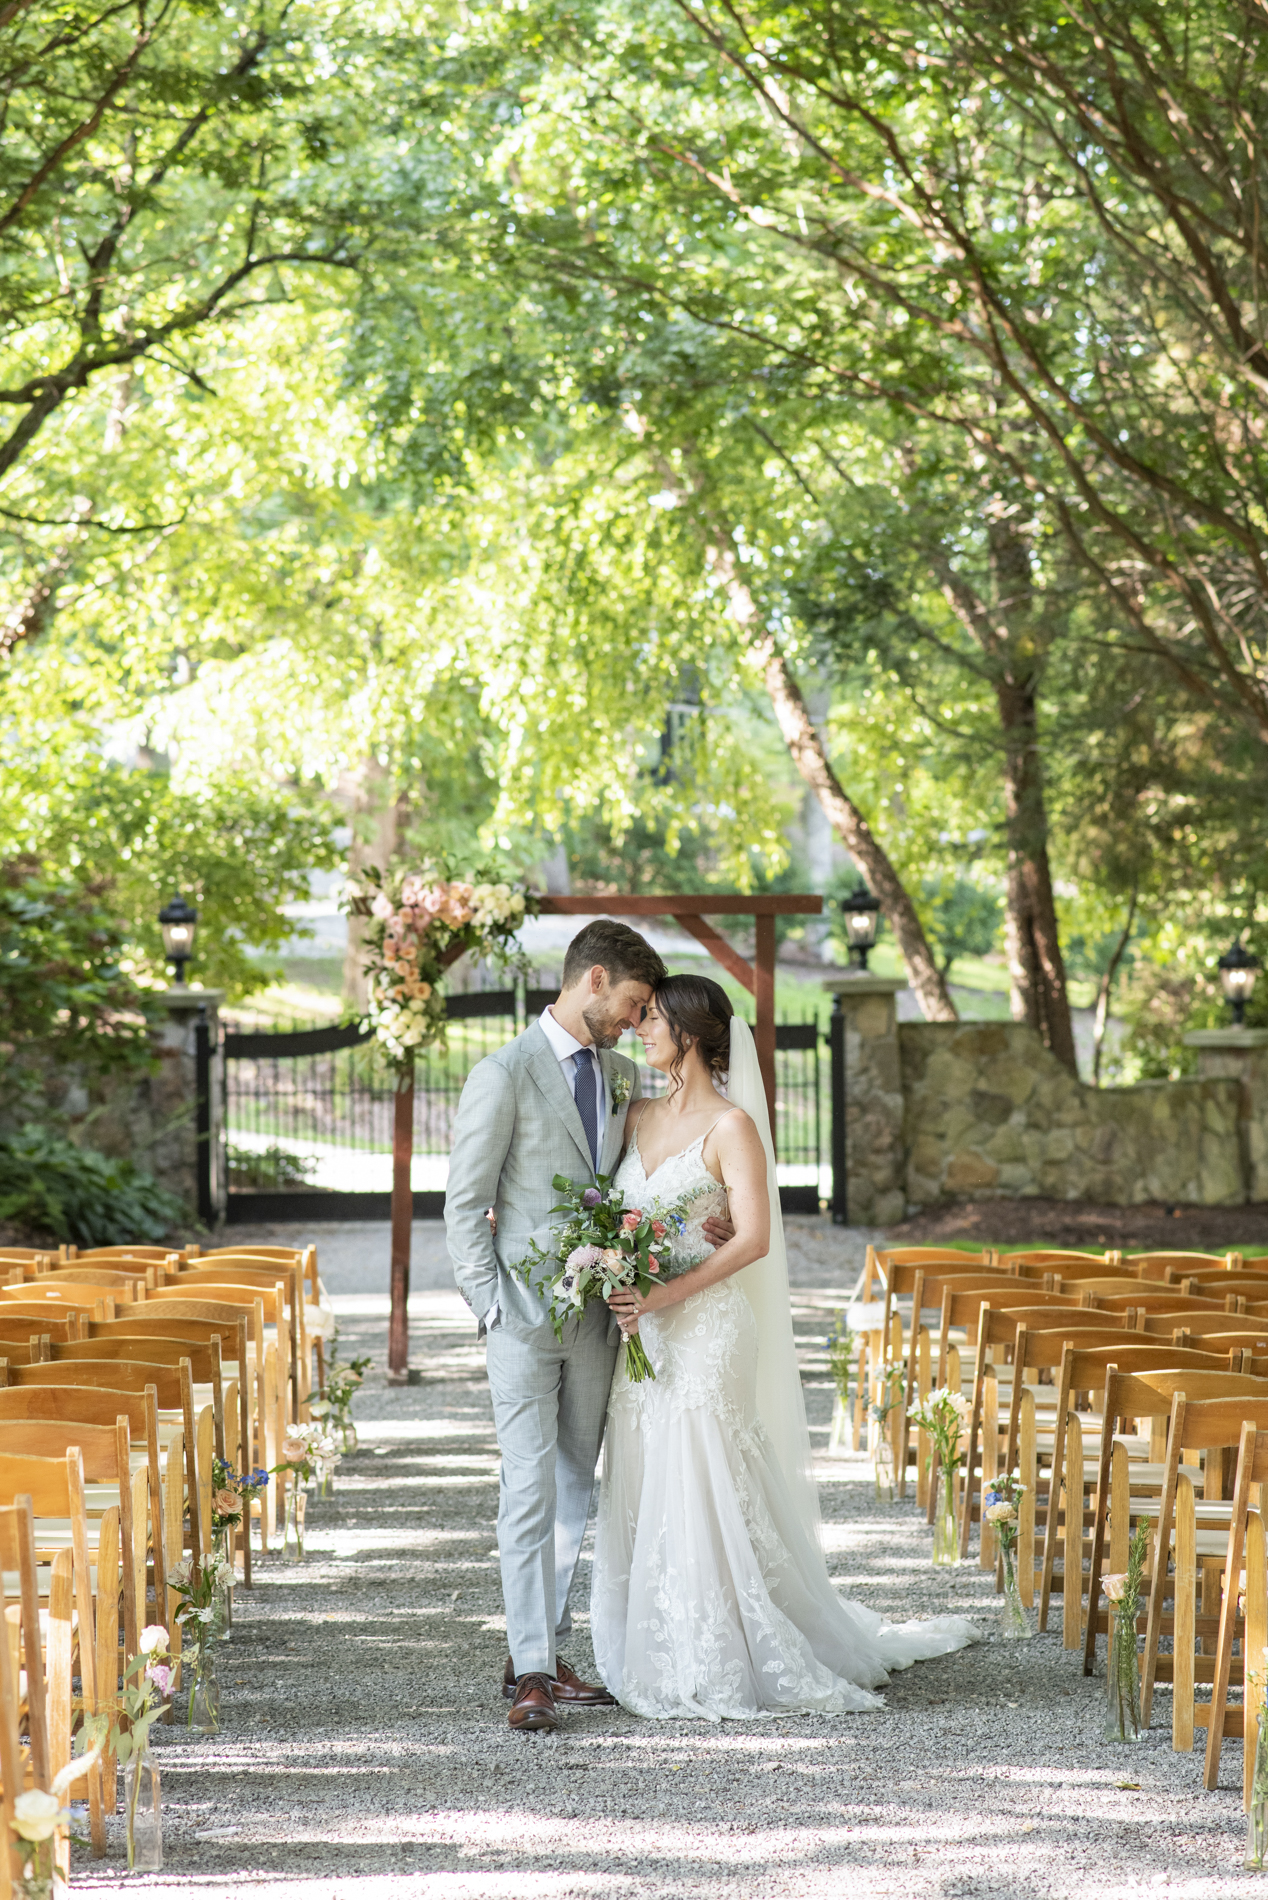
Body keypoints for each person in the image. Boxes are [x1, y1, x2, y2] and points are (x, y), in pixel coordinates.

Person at [593, 972, 978, 1720]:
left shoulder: (732, 1126)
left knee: (704, 1466)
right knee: (646, 1465)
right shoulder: (635, 1114)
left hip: (704, 1325)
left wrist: (666, 1292)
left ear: (693, 1035)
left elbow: (757, 1239)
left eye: (654, 1020)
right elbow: (621, 1213)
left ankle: (732, 1643)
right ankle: (656, 1635)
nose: (641, 1027)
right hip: (645, 1324)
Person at [447, 921, 735, 1734]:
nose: (639, 1023)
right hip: (523, 1317)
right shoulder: (502, 1075)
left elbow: (662, 1173)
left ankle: (538, 1644)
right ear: (595, 981)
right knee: (528, 1486)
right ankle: (533, 1669)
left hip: (600, 1320)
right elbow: (465, 1205)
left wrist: (707, 1221)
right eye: (635, 1005)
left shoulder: (619, 1077)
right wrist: (490, 1303)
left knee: (576, 1481)